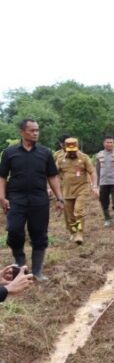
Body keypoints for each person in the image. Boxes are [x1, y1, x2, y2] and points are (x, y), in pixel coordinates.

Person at [0, 119, 64, 281]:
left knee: (39, 234)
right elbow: (2, 177)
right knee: (14, 231)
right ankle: (20, 263)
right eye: (32, 130)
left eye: (37, 130)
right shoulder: (9, 153)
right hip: (16, 198)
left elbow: (53, 176)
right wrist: (2, 197)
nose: (36, 133)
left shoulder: (45, 153)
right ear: (22, 132)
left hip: (39, 199)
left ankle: (37, 271)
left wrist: (59, 198)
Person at [55, 138, 98, 244]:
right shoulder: (60, 159)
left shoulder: (84, 158)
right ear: (64, 149)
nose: (72, 153)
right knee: (70, 216)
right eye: (70, 151)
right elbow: (53, 174)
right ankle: (73, 232)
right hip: (66, 191)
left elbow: (92, 172)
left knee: (78, 211)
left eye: (74, 150)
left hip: (82, 188)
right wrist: (52, 189)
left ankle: (80, 233)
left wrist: (94, 186)